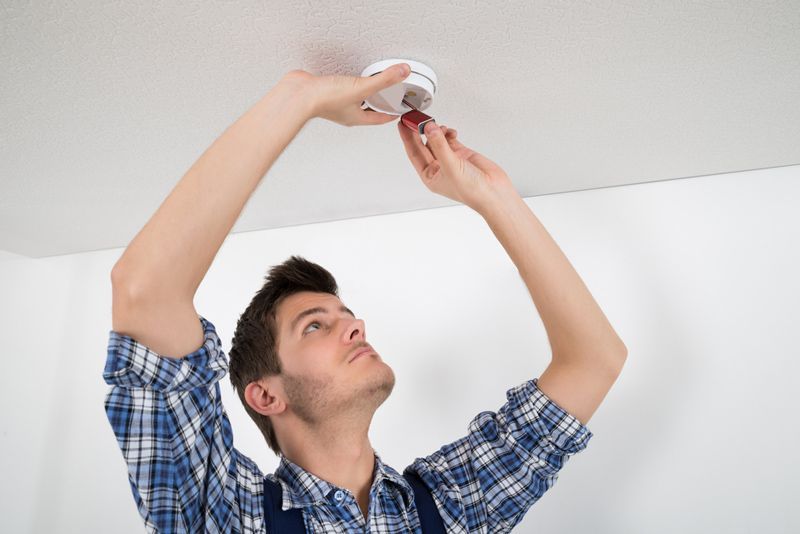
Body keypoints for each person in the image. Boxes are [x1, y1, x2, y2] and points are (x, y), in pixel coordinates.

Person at [104, 63, 627, 533]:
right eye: (314, 325)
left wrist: (494, 199)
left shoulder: (454, 506)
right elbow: (145, 291)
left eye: (346, 317)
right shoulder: (227, 516)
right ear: (265, 396)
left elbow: (594, 361)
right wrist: (297, 100)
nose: (355, 327)